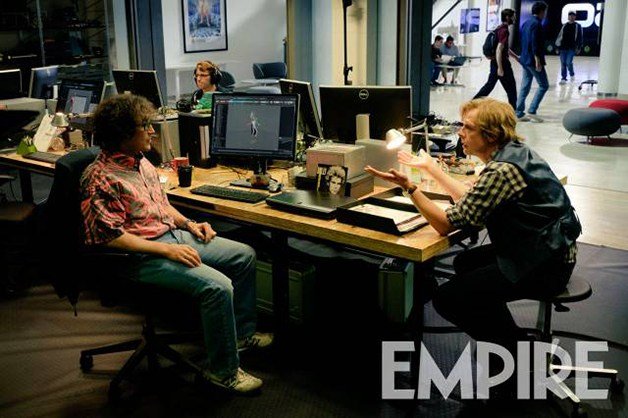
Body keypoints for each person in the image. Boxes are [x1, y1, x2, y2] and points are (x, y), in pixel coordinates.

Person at [366, 97, 581, 371]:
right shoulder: (515, 153)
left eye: (468, 127)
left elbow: (445, 224)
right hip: (546, 248)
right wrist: (432, 168)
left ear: (490, 135)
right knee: (465, 263)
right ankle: (506, 339)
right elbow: (471, 202)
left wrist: (411, 188)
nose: (460, 133)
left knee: (448, 299)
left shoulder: (502, 171)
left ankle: (520, 353)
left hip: (546, 266)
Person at [80, 94, 272, 394]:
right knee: (218, 286)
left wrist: (189, 224)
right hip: (138, 255)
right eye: (145, 125)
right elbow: (110, 236)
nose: (152, 131)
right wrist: (168, 250)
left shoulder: (140, 161)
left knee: (243, 255)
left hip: (170, 234)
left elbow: (161, 205)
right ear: (123, 133)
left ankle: (241, 335)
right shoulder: (100, 178)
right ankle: (223, 373)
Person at [473, 8, 518, 110]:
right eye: (513, 16)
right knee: (511, 89)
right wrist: (500, 68)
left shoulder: (499, 28)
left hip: (495, 62)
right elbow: (499, 50)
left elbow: (504, 48)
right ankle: (512, 112)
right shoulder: (504, 31)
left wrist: (515, 57)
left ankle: (472, 104)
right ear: (507, 17)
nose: (514, 19)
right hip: (502, 63)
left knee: (489, 86)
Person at [515, 1, 549, 123]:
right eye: (545, 11)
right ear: (541, 11)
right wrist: (537, 60)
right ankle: (532, 110)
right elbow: (535, 43)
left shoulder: (526, 23)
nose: (545, 14)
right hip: (533, 60)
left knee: (525, 85)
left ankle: (519, 112)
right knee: (544, 85)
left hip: (525, 59)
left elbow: (524, 41)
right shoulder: (537, 24)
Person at [555, 11, 583, 84]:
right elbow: (560, 36)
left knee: (568, 62)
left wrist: (579, 47)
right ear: (568, 17)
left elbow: (580, 37)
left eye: (573, 16)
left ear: (575, 17)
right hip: (563, 47)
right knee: (563, 63)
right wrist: (557, 47)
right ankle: (563, 78)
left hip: (572, 48)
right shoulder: (564, 25)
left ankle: (572, 73)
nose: (571, 17)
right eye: (570, 15)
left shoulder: (578, 26)